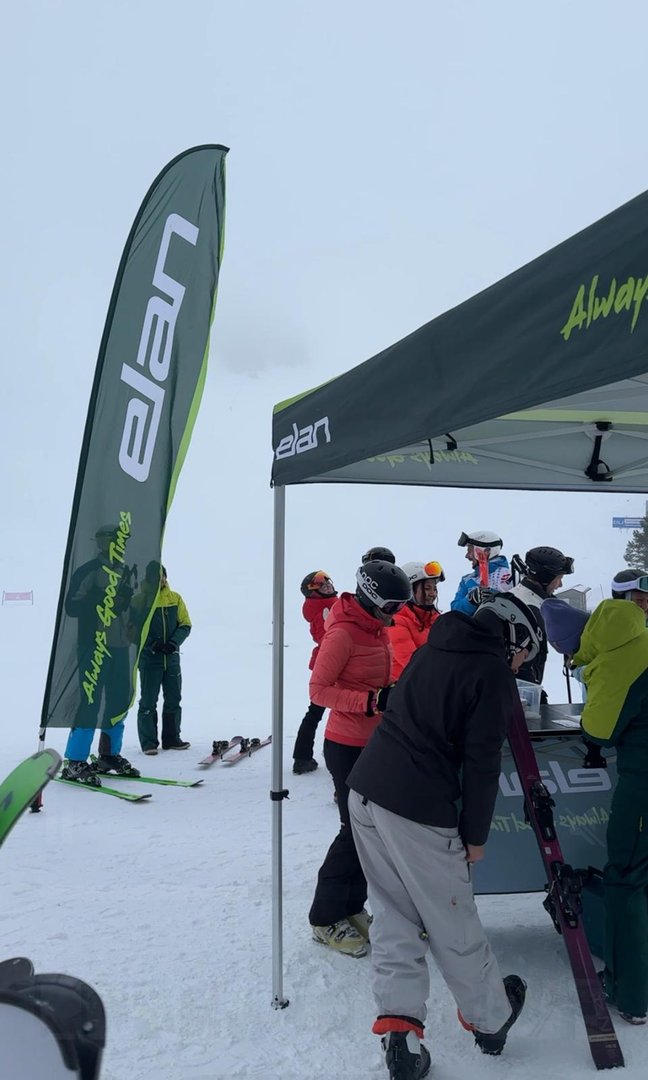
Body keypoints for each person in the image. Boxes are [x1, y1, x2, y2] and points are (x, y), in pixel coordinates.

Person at [347, 592, 538, 1078]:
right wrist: (475, 836)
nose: (520, 665)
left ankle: (401, 1034)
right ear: (512, 636)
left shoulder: (433, 646)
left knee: (394, 913)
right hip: (417, 807)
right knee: (452, 919)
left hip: (367, 790)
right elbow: (482, 761)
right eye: (523, 653)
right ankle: (490, 1020)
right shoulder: (492, 672)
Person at [308, 560, 412, 957]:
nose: (396, 614)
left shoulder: (376, 628)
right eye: (392, 606)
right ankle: (324, 918)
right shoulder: (343, 634)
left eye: (401, 607)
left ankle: (351, 908)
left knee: (372, 833)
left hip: (376, 743)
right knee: (353, 832)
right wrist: (372, 701)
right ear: (370, 599)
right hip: (346, 745)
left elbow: (376, 678)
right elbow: (318, 690)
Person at [571, 599, 648, 1025]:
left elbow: (598, 730)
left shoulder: (623, 661)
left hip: (642, 790)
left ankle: (631, 994)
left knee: (627, 880)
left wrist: (592, 676)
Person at [60, 523, 140, 786]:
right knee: (91, 700)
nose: (120, 545)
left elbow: (130, 607)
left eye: (123, 540)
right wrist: (99, 599)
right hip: (93, 645)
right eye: (115, 540)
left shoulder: (126, 571)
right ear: (102, 542)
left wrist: (132, 617)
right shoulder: (89, 571)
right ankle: (75, 760)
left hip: (120, 646)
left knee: (118, 700)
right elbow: (71, 606)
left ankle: (108, 755)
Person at [135, 564, 192, 754]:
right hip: (150, 660)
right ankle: (149, 743)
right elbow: (132, 628)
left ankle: (172, 739)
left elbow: (185, 624)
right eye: (155, 577)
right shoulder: (139, 601)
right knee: (148, 701)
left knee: (173, 699)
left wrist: (174, 643)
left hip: (171, 660)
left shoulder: (175, 598)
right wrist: (153, 645)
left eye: (162, 576)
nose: (160, 580)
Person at [293, 571, 338, 775]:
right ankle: (339, 757)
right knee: (344, 712)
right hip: (334, 663)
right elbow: (329, 636)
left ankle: (302, 757)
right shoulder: (326, 608)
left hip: (324, 663)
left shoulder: (324, 605)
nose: (328, 586)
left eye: (328, 583)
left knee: (316, 711)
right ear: (313, 592)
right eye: (322, 585)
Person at [509, 546, 574, 687]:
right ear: (545, 579)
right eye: (559, 578)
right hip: (519, 688)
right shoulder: (533, 609)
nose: (560, 584)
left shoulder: (516, 595)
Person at [389, 561, 444, 681]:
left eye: (434, 588)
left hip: (431, 683)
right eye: (427, 588)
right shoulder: (396, 621)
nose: (432, 594)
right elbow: (413, 663)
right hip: (404, 686)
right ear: (409, 590)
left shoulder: (436, 620)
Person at [451, 530, 511, 615]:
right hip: (474, 622)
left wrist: (496, 596)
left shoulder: (511, 576)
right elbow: (454, 611)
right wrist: (470, 600)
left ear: (486, 551)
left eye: (470, 551)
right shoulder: (467, 580)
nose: (467, 556)